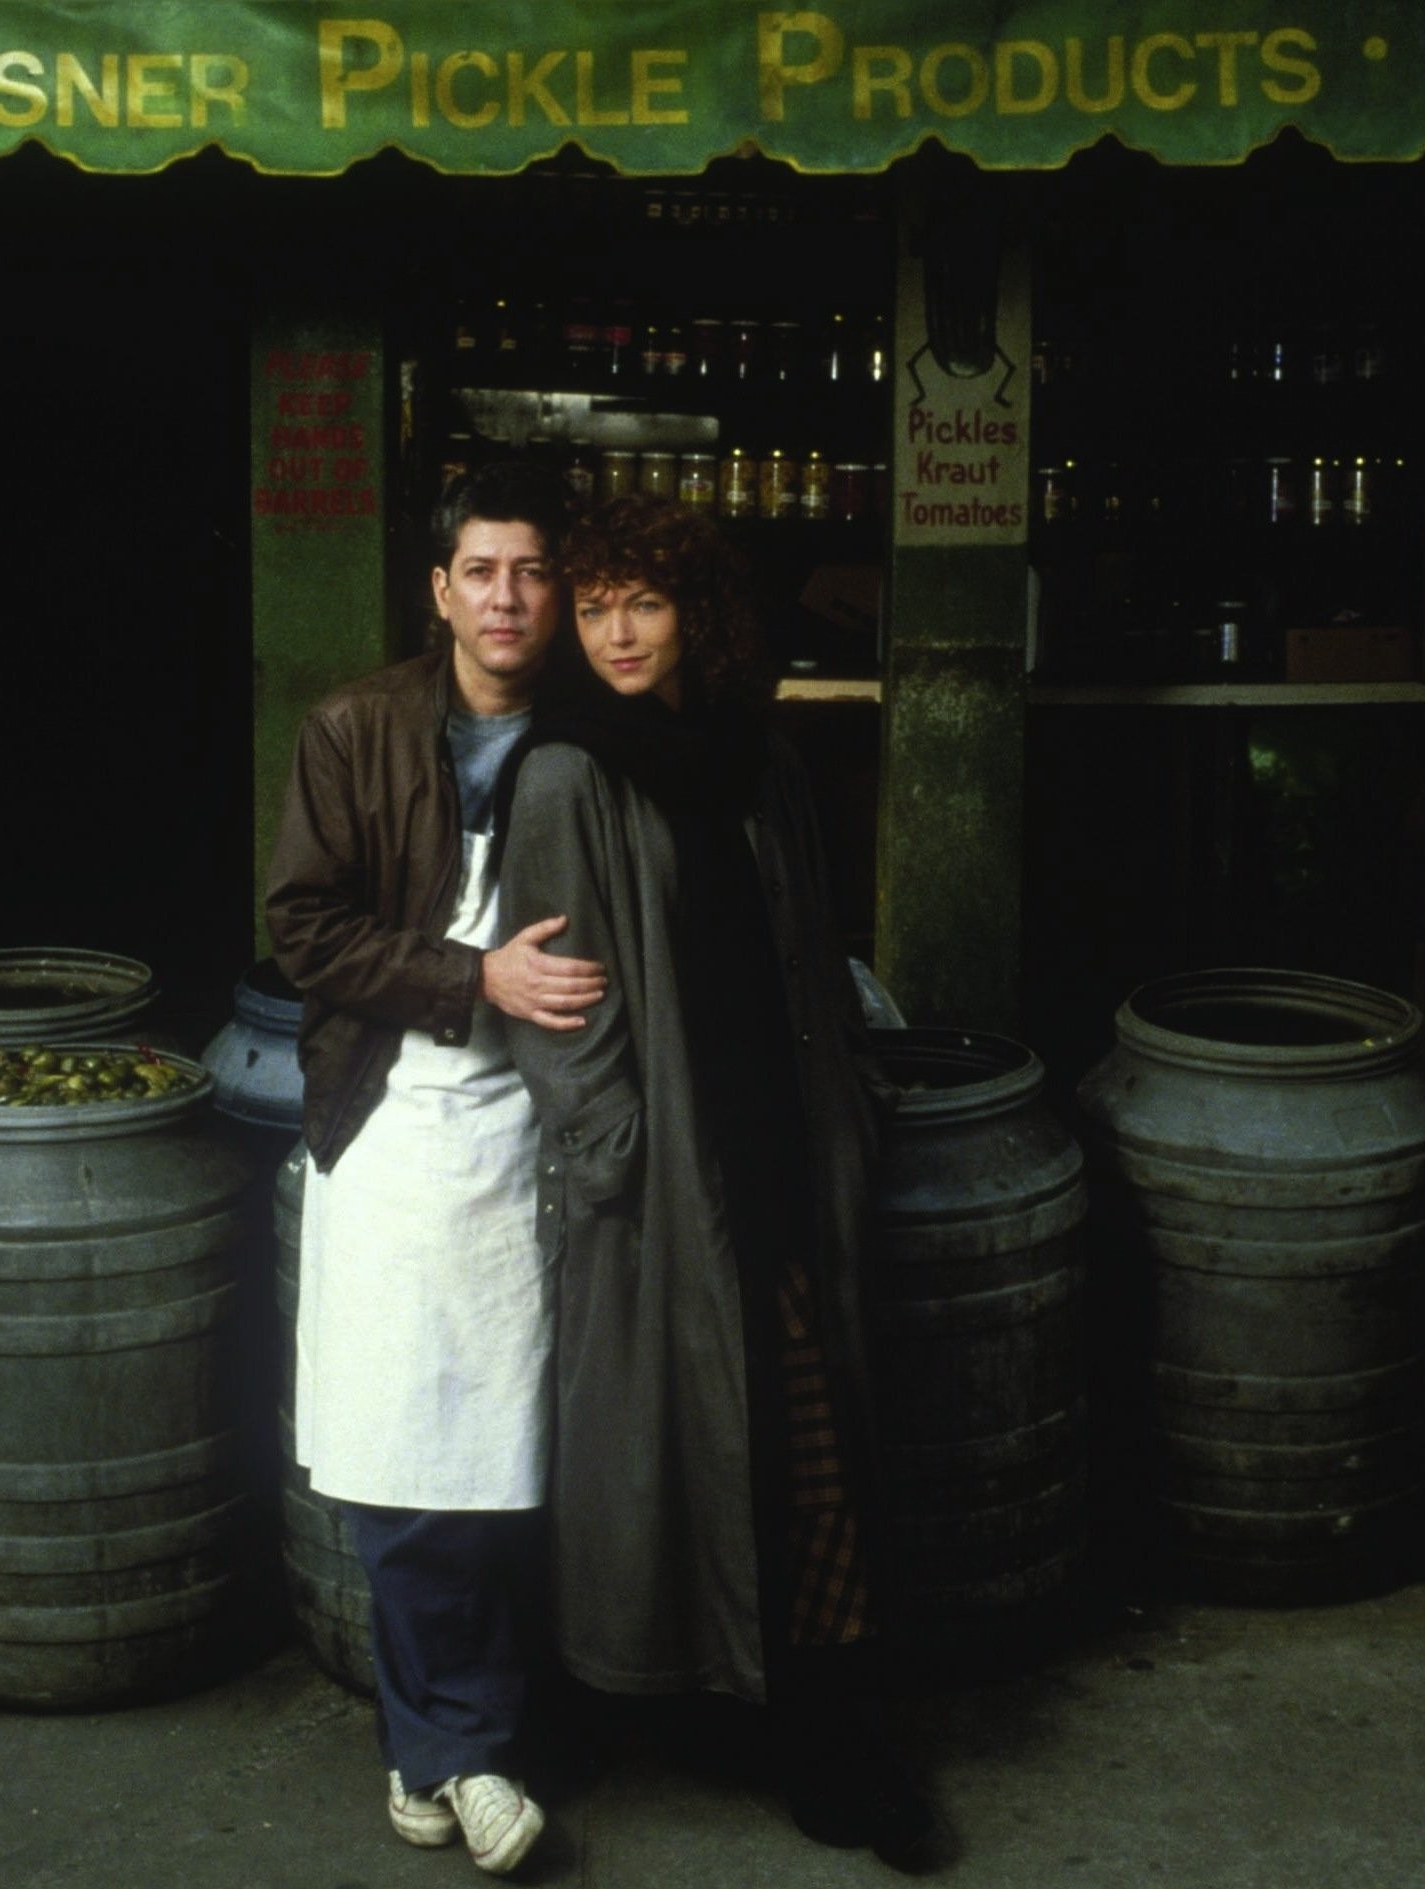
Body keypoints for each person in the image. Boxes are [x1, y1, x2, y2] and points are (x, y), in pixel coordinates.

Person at [494, 493, 934, 1867]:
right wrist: (613, 1146)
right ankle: (735, 1722)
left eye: (650, 602)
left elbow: (817, 952)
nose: (620, 630)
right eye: (602, 601)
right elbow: (553, 1003)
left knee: (805, 1434)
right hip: (668, 1168)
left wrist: (850, 1099)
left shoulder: (759, 761)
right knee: (677, 1440)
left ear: (700, 617)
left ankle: (836, 1731)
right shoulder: (567, 773)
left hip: (784, 1143)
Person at [263, 461, 605, 1877]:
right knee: (403, 1451)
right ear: (438, 589)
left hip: (542, 1131)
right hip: (395, 1113)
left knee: (512, 1450)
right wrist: (475, 976)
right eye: (481, 570)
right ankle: (464, 1744)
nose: (507, 598)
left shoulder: (597, 728)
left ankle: (440, 1747)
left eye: (530, 571)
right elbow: (303, 926)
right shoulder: (355, 726)